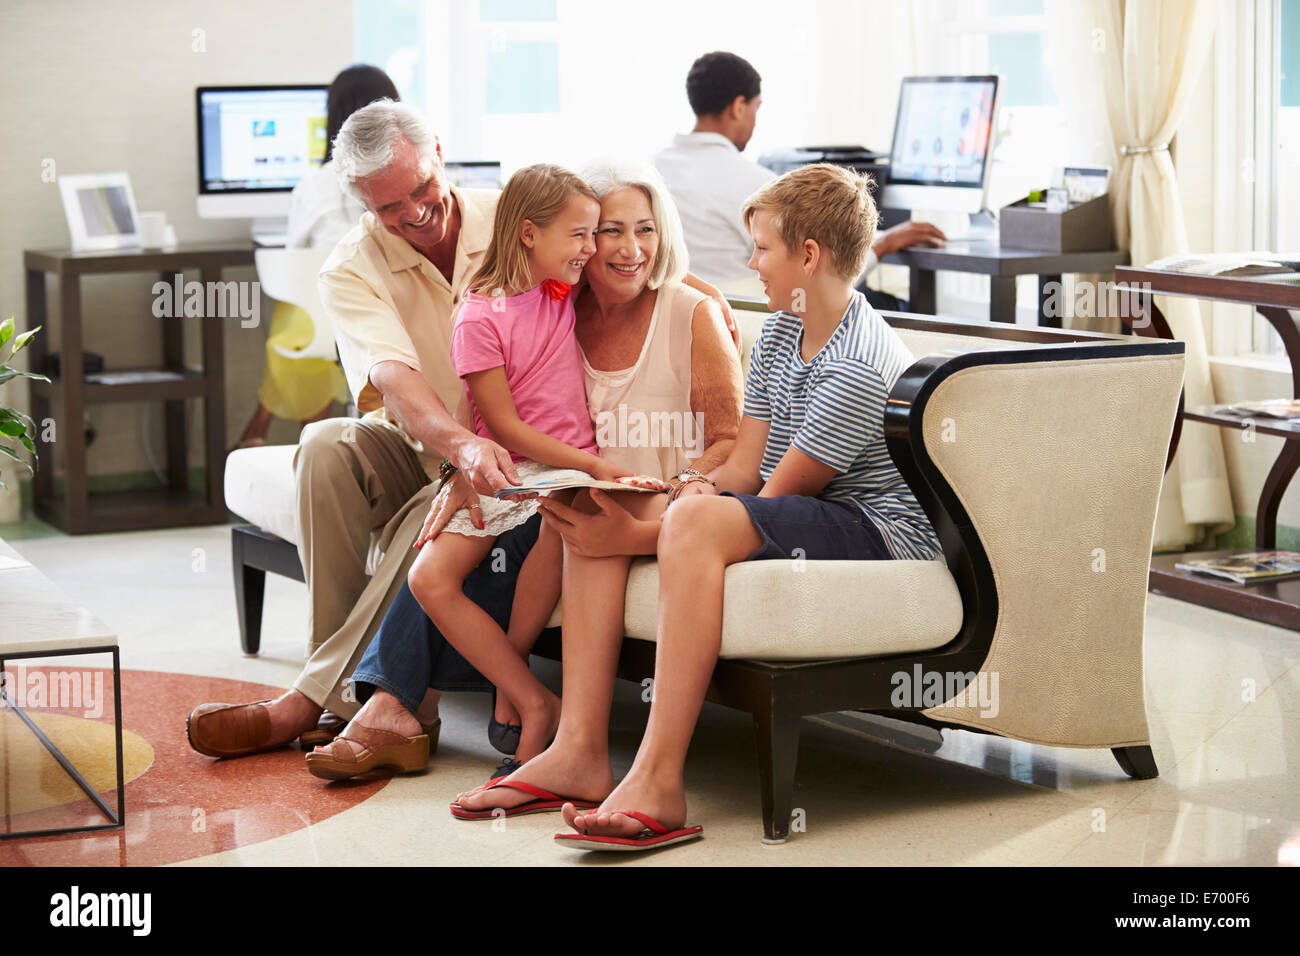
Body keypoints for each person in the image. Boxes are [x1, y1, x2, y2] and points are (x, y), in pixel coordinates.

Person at [184, 102, 740, 762]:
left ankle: (337, 706)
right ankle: (339, 691)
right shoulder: (352, 266)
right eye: (390, 208)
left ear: (439, 154)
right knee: (327, 446)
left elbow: (613, 249)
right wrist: (462, 448)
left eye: (420, 188)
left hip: (513, 458)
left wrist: (699, 287)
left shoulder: (514, 214)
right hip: (430, 441)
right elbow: (395, 379)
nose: (415, 212)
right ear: (364, 202)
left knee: (449, 527)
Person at [455, 163, 942, 852]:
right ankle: (579, 751)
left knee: (650, 526)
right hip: (800, 508)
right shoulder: (778, 332)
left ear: (808, 256)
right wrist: (641, 515)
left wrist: (646, 534)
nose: (752, 264)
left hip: (874, 528)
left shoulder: (857, 365)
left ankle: (658, 780)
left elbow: (776, 499)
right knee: (603, 514)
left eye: (763, 249)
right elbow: (744, 465)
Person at [303, 161, 744, 786]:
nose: (613, 247)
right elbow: (473, 397)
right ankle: (420, 701)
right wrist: (464, 461)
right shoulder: (553, 295)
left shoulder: (601, 288)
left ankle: (400, 704)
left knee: (540, 535)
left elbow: (641, 267)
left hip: (592, 484)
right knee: (450, 541)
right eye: (597, 234)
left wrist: (705, 288)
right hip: (532, 468)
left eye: (638, 230)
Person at [653, 51, 947, 301]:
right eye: (756, 108)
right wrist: (884, 244)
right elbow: (817, 279)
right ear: (738, 107)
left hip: (686, 314)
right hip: (758, 318)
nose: (755, 120)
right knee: (888, 305)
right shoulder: (755, 184)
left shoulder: (653, 170)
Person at [236, 65, 398, 450]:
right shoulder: (401, 180)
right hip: (386, 318)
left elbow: (294, 261)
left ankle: (297, 439)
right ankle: (293, 436)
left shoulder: (311, 186)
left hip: (320, 327)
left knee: (296, 322)